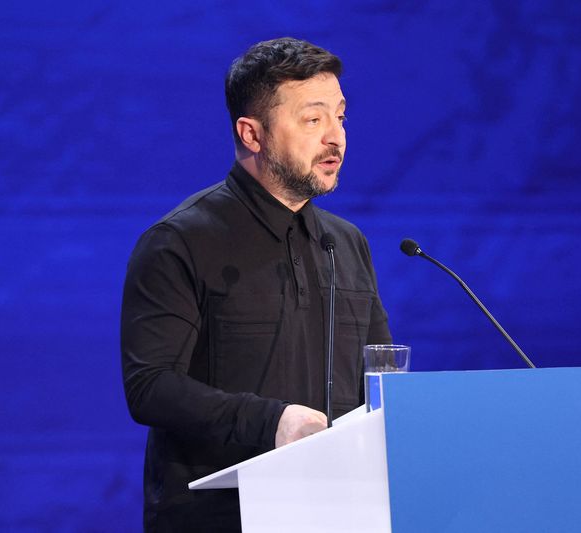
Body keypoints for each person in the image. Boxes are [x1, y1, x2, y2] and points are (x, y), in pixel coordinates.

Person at [120, 37, 392, 532]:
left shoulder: (346, 243)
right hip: (223, 517)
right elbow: (151, 387)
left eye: (340, 117)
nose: (336, 138)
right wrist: (273, 421)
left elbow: (381, 375)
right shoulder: (180, 241)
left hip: (343, 512)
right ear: (252, 133)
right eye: (313, 120)